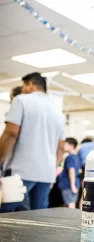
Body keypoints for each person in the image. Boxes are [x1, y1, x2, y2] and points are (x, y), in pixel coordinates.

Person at [0, 72, 65, 211]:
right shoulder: (58, 112)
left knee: (11, 216)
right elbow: (60, 148)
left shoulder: (22, 100)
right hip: (46, 174)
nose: (22, 89)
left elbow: (10, 133)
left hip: (21, 171)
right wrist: (52, 171)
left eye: (23, 85)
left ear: (30, 85)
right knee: (39, 218)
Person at [58, 138, 81, 209]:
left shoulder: (70, 157)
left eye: (66, 144)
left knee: (70, 205)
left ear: (71, 145)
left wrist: (72, 185)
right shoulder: (76, 157)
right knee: (72, 203)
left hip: (68, 185)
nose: (64, 146)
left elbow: (72, 170)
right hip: (75, 183)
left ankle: (71, 220)